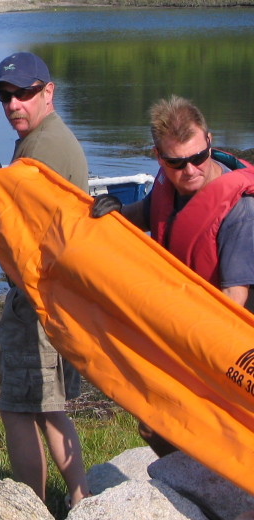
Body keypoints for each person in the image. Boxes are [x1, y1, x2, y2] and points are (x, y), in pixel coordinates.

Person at [0, 52, 90, 507]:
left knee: (17, 409)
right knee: (48, 408)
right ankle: (84, 502)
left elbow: (17, 228)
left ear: (48, 92)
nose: (13, 105)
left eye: (24, 94)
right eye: (6, 96)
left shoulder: (43, 148)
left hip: (39, 300)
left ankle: (33, 509)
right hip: (57, 296)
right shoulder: (41, 140)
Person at [92, 94, 254, 457]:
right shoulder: (170, 189)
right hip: (186, 328)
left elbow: (235, 302)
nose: (191, 170)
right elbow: (150, 215)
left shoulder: (241, 211)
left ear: (209, 141)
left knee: (175, 425)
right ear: (159, 157)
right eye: (177, 163)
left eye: (198, 157)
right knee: (154, 425)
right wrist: (116, 212)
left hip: (227, 340)